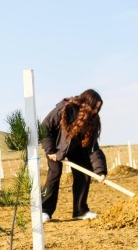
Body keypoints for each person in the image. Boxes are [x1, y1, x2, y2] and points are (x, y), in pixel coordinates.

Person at [40, 89, 107, 222]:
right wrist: (50, 150)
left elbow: (93, 148)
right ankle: (44, 210)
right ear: (87, 103)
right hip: (56, 145)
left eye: (98, 109)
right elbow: (44, 128)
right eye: (94, 107)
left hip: (76, 148)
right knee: (54, 174)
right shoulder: (66, 109)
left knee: (85, 173)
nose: (96, 111)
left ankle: (80, 211)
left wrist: (100, 171)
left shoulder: (93, 119)